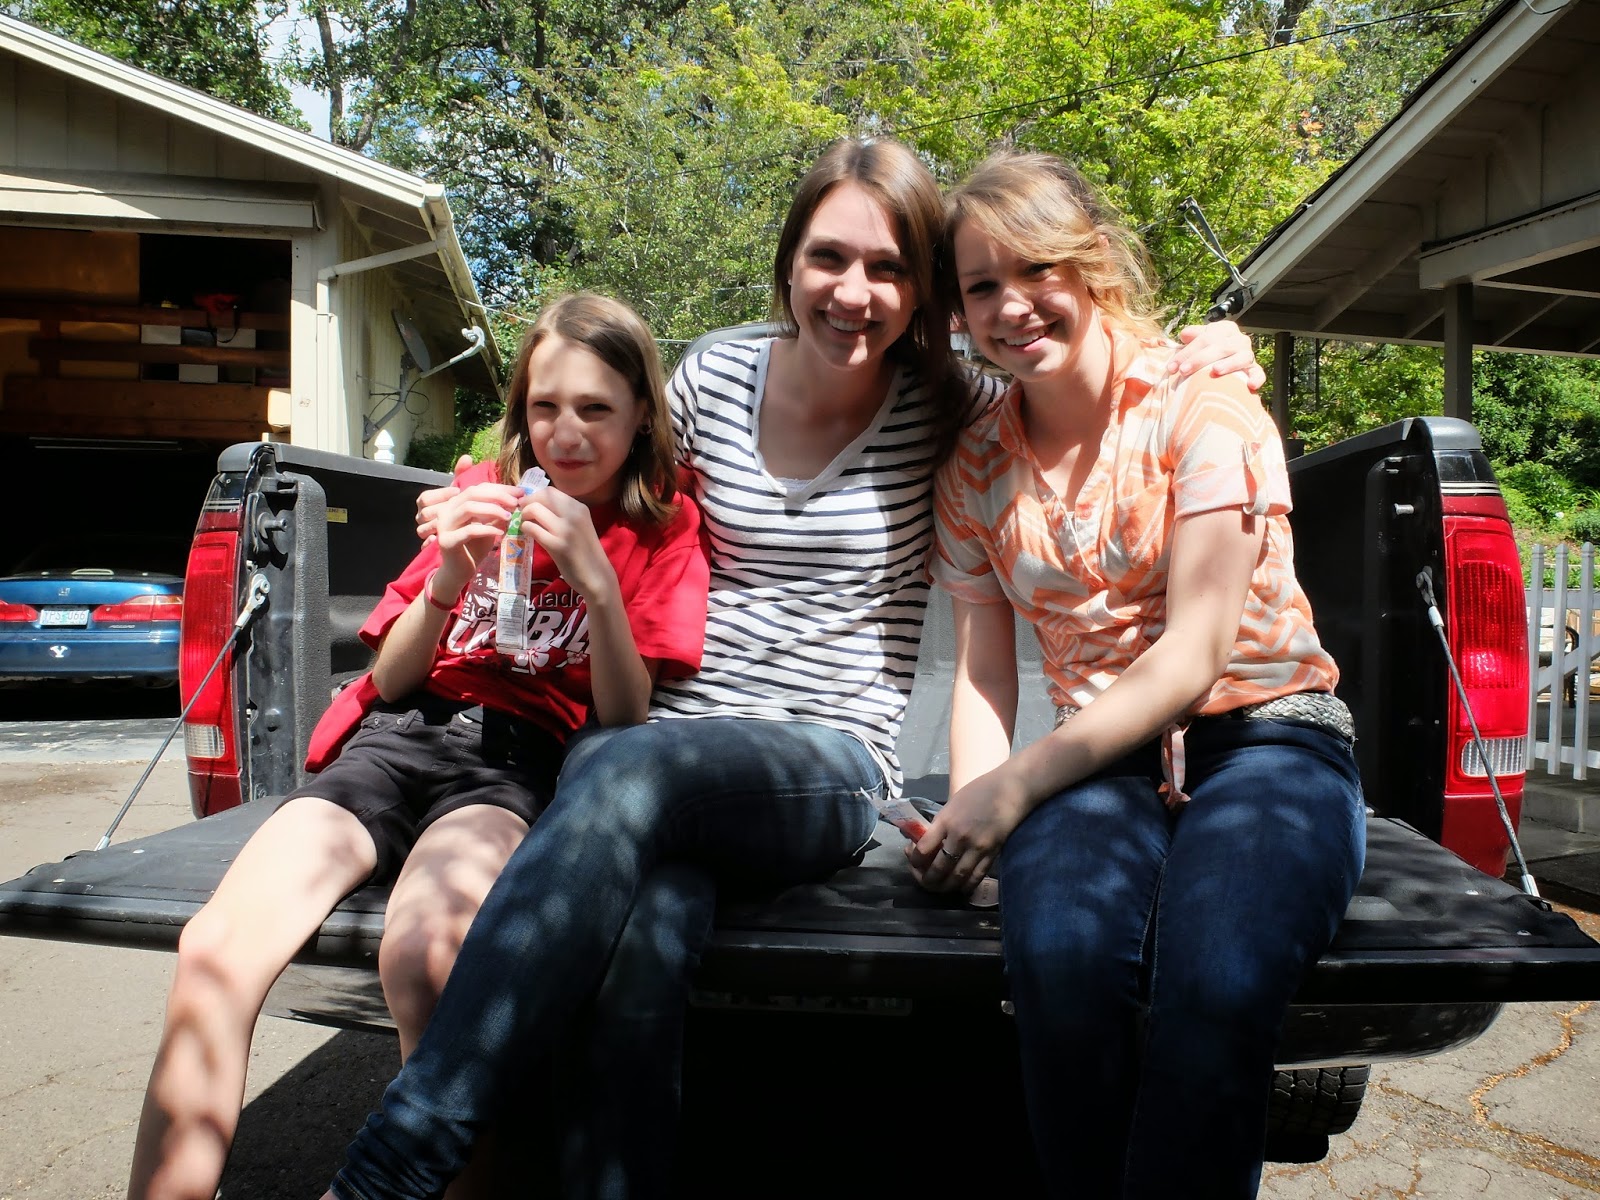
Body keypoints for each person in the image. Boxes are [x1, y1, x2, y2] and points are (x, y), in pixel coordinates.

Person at [320, 137, 1264, 1200]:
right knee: (641, 941)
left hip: (823, 760)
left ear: (923, 296)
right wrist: (478, 508)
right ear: (788, 263)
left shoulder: (951, 404)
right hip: (662, 751)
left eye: (889, 267)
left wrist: (1215, 347)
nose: (853, 292)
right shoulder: (715, 377)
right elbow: (597, 469)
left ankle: (402, 1151)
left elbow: (1088, 365)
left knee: (619, 766)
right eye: (828, 257)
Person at [126, 291, 709, 1200]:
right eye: (546, 406)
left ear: (641, 416)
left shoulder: (662, 530)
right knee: (215, 948)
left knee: (426, 961)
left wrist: (596, 583)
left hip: (514, 766)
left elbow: (626, 718)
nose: (566, 433)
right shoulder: (479, 496)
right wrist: (447, 578)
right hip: (397, 741)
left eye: (596, 408)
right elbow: (393, 681)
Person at [913, 149, 1366, 1199]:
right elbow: (984, 673)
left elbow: (1197, 651)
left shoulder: (1204, 405)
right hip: (1101, 762)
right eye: (980, 286)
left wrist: (1014, 789)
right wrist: (974, 813)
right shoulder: (974, 464)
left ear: (1094, 263)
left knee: (1217, 983)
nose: (1011, 305)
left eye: (1037, 269)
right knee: (1060, 965)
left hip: (1267, 736)